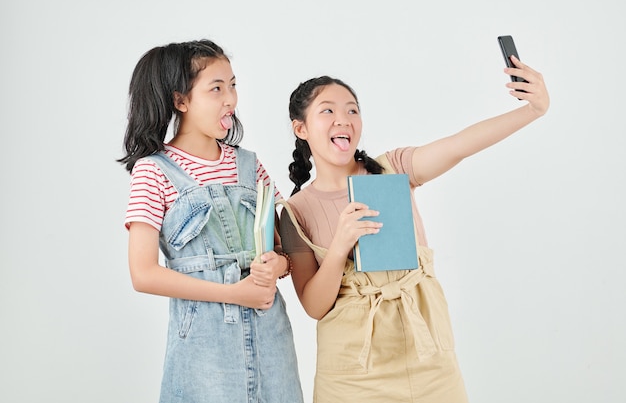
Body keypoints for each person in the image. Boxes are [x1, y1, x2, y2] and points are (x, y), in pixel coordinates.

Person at [278, 56, 549, 402]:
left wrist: (532, 111)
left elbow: (459, 146)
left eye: (352, 110)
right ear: (301, 128)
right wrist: (340, 246)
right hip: (352, 372)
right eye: (327, 111)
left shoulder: (393, 169)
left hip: (428, 356)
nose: (343, 119)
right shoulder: (293, 212)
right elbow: (314, 307)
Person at [118, 39, 303, 403]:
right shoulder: (153, 172)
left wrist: (276, 263)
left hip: (271, 336)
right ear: (180, 100)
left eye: (232, 85)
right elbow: (143, 274)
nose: (231, 99)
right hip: (203, 348)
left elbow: (287, 249)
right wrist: (232, 294)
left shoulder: (250, 165)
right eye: (216, 88)